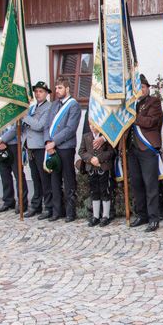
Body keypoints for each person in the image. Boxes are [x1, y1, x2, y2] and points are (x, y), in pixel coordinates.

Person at [125, 74, 163, 232]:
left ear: (148, 88)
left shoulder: (153, 102)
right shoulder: (131, 103)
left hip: (147, 147)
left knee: (151, 184)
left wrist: (132, 117)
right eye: (137, 87)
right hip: (132, 147)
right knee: (137, 184)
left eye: (142, 87)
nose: (140, 90)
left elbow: (149, 122)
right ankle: (142, 215)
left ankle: (154, 217)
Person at [43, 78, 82, 222]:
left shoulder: (74, 105)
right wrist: (48, 142)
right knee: (54, 179)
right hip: (51, 147)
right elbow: (47, 125)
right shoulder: (53, 105)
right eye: (56, 87)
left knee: (68, 179)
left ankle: (71, 212)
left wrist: (54, 142)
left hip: (65, 147)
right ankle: (57, 210)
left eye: (60, 88)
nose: (57, 90)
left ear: (67, 89)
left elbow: (70, 129)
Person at [22, 81, 52, 218]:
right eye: (36, 91)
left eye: (40, 91)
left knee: (44, 178)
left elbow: (39, 125)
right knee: (35, 178)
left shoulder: (48, 107)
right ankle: (36, 205)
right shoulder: (32, 108)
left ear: (46, 93)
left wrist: (25, 117)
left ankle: (48, 206)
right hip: (30, 147)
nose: (37, 94)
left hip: (40, 147)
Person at [79, 118, 117, 227]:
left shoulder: (105, 137)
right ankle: (96, 216)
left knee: (105, 190)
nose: (92, 126)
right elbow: (81, 151)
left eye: (94, 124)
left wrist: (98, 159)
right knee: (94, 191)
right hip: (91, 168)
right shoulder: (86, 137)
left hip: (103, 168)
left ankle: (105, 215)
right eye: (90, 124)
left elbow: (110, 152)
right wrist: (91, 159)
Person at [0, 119, 29, 214]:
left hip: (14, 143)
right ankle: (8, 201)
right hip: (0, 145)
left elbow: (17, 127)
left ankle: (22, 202)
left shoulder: (15, 104)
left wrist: (2, 139)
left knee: (18, 174)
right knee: (5, 174)